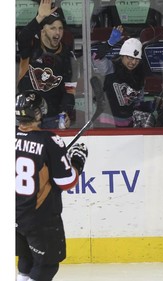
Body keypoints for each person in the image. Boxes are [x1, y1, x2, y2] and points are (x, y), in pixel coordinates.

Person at [15, 90, 88, 281]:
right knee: (46, 266)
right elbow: (66, 181)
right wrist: (78, 162)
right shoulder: (50, 140)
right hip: (40, 217)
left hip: (14, 215)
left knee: (26, 260)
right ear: (38, 113)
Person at [17, 0, 76, 129]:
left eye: (60, 28)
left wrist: (67, 112)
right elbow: (22, 38)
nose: (57, 33)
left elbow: (69, 88)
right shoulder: (32, 46)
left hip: (53, 118)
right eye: (52, 28)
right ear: (43, 30)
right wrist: (39, 18)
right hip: (26, 116)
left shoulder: (66, 54)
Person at [92, 26, 156, 127]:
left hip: (127, 123)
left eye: (136, 59)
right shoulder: (111, 68)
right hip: (106, 122)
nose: (133, 62)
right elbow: (96, 58)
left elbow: (139, 101)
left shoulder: (139, 75)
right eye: (130, 58)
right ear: (122, 55)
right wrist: (109, 43)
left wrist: (146, 106)